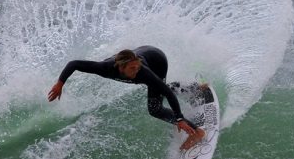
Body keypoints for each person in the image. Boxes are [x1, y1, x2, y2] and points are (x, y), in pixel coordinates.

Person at [47, 45, 205, 150]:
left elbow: (167, 93)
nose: (136, 71)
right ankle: (194, 87)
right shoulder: (105, 68)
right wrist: (60, 83)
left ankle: (197, 132)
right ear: (120, 67)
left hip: (157, 60)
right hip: (144, 53)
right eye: (132, 68)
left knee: (155, 108)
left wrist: (179, 118)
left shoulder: (143, 72)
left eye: (137, 67)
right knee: (157, 87)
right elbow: (74, 64)